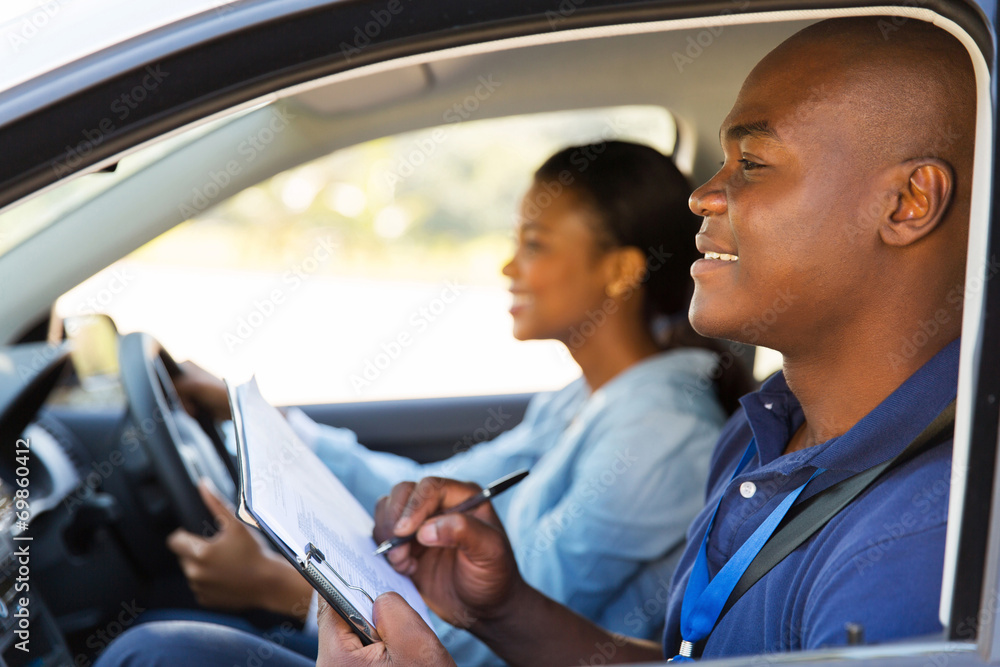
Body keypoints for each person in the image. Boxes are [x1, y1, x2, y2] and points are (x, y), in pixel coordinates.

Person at [97, 14, 974, 666]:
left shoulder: (912, 550)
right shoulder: (766, 433)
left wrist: (285, 590)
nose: (706, 195)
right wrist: (505, 607)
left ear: (907, 203)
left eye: (751, 162)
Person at [151, 141, 751, 664]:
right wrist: (274, 425)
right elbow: (426, 486)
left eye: (536, 245)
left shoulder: (661, 436)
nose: (509, 265)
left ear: (620, 271)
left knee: (159, 652)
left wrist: (273, 587)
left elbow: (496, 630)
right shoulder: (588, 399)